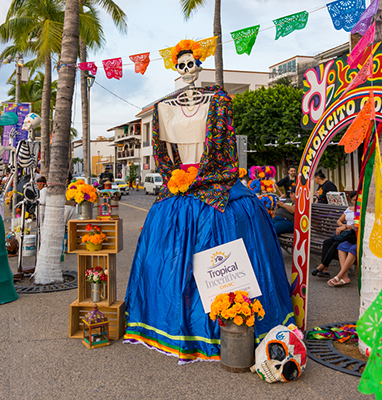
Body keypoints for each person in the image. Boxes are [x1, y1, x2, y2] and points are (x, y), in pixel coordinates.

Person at [124, 39, 294, 364]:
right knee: (170, 261)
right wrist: (176, 178)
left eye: (192, 65)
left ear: (199, 66)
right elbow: (164, 156)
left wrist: (203, 178)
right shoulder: (164, 108)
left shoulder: (219, 102)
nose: (188, 71)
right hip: (178, 187)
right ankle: (176, 323)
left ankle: (236, 322)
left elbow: (224, 148)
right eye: (182, 66)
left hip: (217, 183)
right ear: (177, 69)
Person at [312, 191, 358, 278]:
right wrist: (341, 226)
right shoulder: (349, 209)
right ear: (351, 200)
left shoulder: (361, 210)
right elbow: (339, 220)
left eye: (358, 199)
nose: (356, 202)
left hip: (353, 234)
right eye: (354, 200)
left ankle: (322, 266)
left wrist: (344, 227)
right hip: (344, 232)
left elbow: (357, 225)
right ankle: (325, 270)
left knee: (336, 244)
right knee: (327, 242)